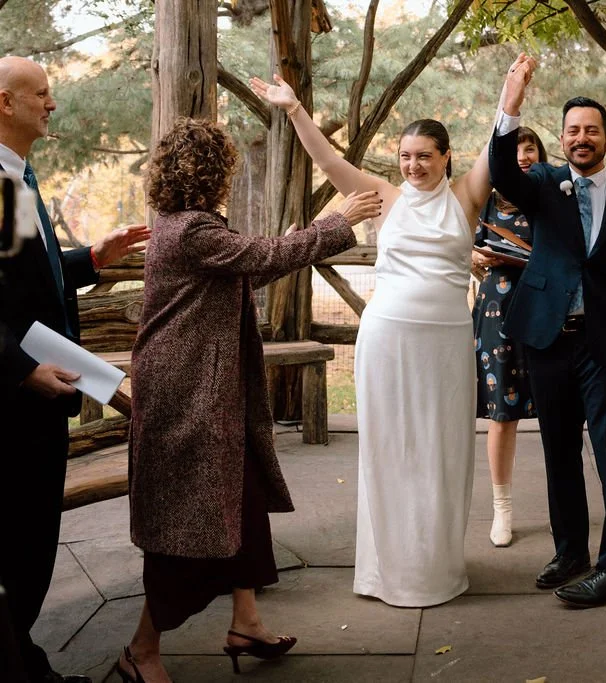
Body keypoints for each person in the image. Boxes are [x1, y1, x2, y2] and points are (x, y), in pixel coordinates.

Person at [118, 118, 380, 683]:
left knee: (242, 500)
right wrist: (336, 223)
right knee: (185, 525)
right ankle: (142, 650)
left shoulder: (184, 224)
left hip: (205, 389)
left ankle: (246, 622)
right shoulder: (191, 229)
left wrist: (296, 237)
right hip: (188, 395)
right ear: (213, 173)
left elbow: (245, 266)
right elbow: (258, 259)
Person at [250, 64, 493, 607]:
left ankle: (437, 566)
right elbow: (328, 161)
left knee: (442, 450)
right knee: (392, 450)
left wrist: (509, 98)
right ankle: (390, 570)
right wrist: (293, 109)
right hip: (387, 341)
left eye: (424, 156)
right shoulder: (385, 195)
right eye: (406, 156)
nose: (413, 165)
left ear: (446, 156)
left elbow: (498, 149)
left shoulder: (464, 196)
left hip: (448, 344)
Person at [489, 56, 606, 608]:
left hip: (604, 344)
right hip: (546, 339)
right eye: (572, 131)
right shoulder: (542, 184)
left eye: (591, 130)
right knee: (558, 450)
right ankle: (571, 553)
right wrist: (510, 103)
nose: (581, 138)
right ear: (562, 139)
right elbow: (501, 172)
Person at [0, 55, 150, 683]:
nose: (51, 104)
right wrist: (16, 368)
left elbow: (20, 276)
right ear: (5, 103)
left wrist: (88, 257)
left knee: (32, 544)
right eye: (41, 94)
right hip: (10, 403)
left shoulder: (19, 177)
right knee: (17, 547)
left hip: (42, 396)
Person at [471, 125, 548, 547]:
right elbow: (458, 241)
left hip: (544, 311)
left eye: (530, 147)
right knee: (503, 415)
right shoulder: (483, 202)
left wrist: (525, 260)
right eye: (516, 148)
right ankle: (502, 510)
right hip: (495, 313)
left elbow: (568, 255)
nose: (523, 155)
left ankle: (564, 505)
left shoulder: (554, 196)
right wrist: (472, 254)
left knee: (560, 412)